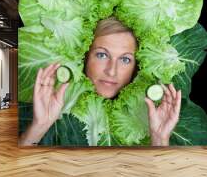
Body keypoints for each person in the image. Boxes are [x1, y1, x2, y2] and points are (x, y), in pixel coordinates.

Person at [19, 17, 182, 146]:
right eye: (102, 55)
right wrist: (39, 126)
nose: (111, 70)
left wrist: (159, 138)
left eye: (125, 59)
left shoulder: (152, 116)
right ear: (85, 56)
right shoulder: (51, 107)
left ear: (136, 67)